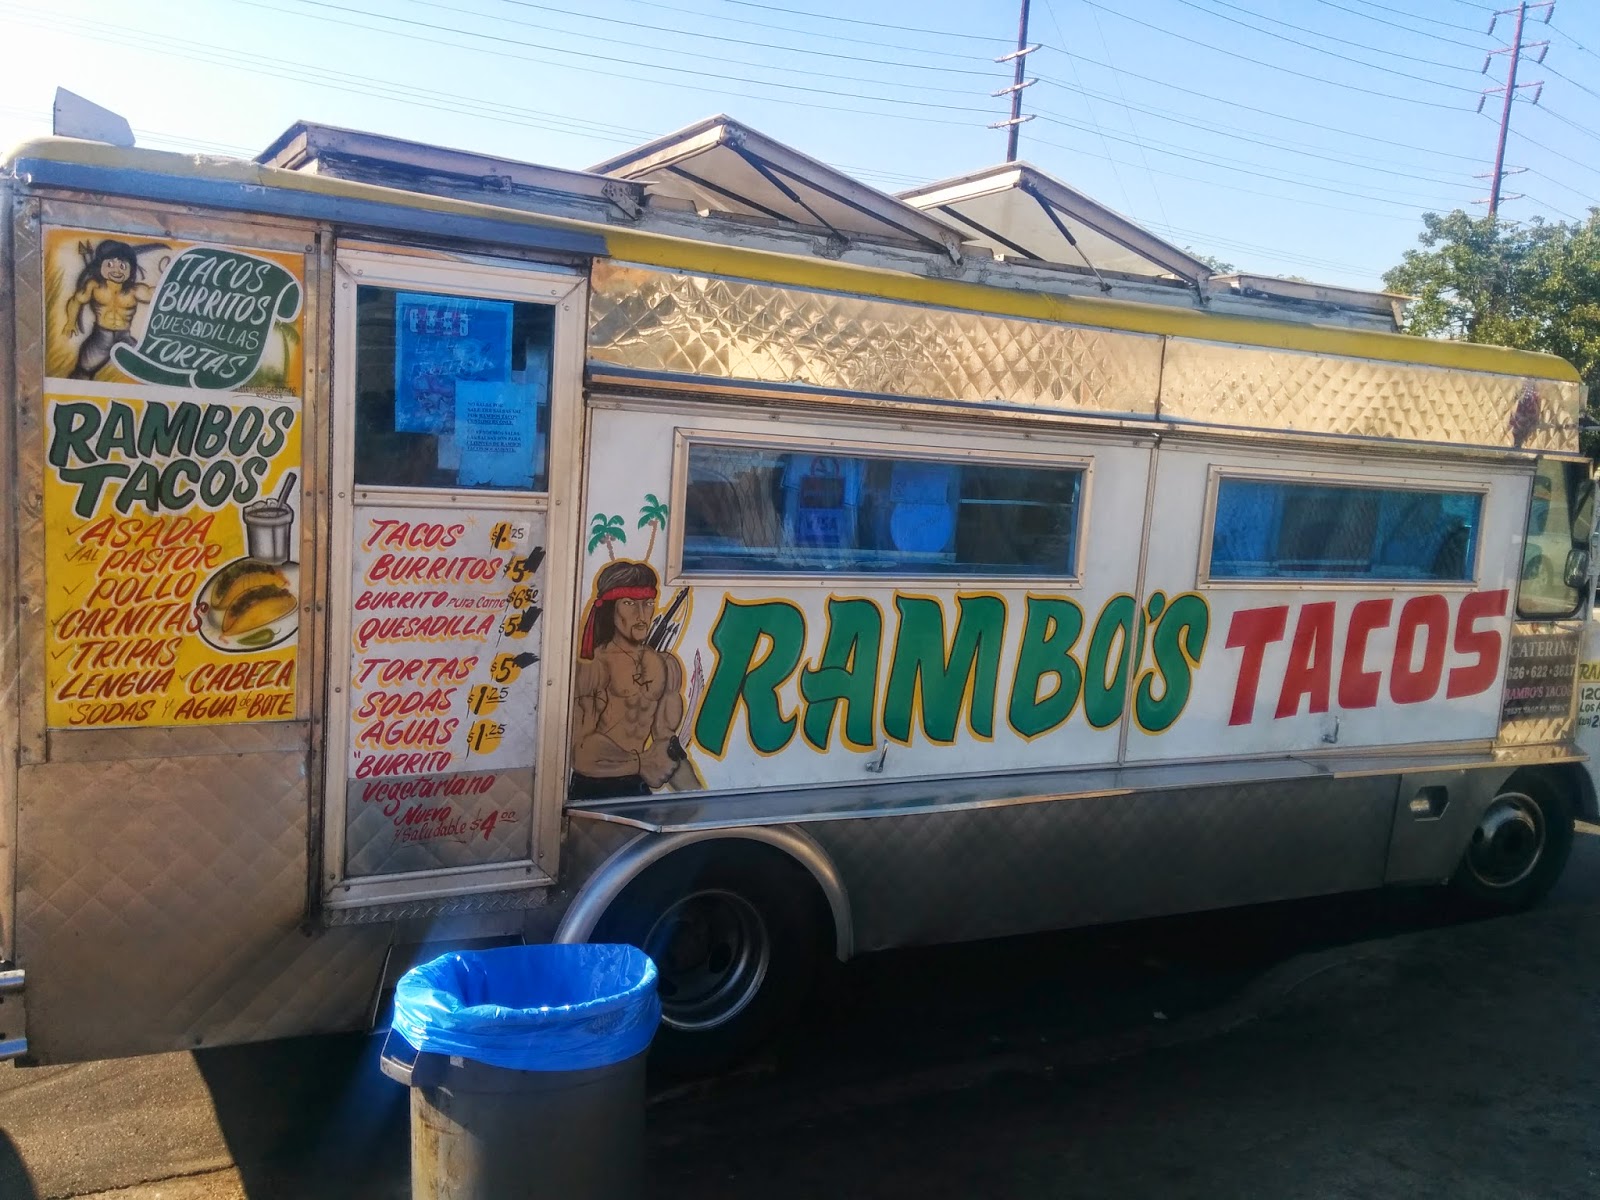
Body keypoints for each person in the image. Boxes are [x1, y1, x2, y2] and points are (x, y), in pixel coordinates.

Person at [569, 560, 700, 800]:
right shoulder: (594, 667)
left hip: (637, 787)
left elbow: (665, 747)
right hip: (593, 788)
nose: (641, 615)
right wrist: (640, 763)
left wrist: (699, 800)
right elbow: (580, 752)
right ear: (610, 608)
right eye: (629, 603)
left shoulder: (666, 666)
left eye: (648, 603)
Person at [63, 241, 156, 380]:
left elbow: (155, 294)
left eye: (122, 266)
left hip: (124, 337)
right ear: (100, 266)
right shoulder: (94, 286)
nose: (117, 271)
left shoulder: (134, 290)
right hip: (101, 336)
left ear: (131, 269)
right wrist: (70, 322)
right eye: (110, 265)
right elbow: (76, 301)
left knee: (149, 370)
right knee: (83, 371)